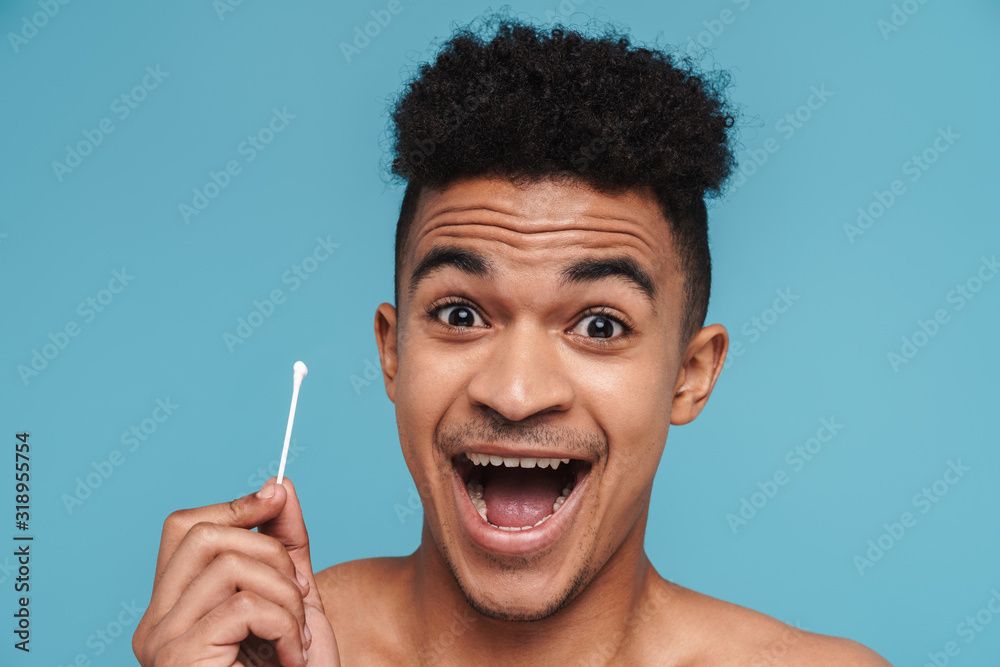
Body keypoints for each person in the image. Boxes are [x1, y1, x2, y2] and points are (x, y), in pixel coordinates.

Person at [132, 15, 891, 665]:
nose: (517, 391)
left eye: (599, 324)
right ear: (392, 351)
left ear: (691, 374)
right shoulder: (251, 649)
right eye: (461, 314)